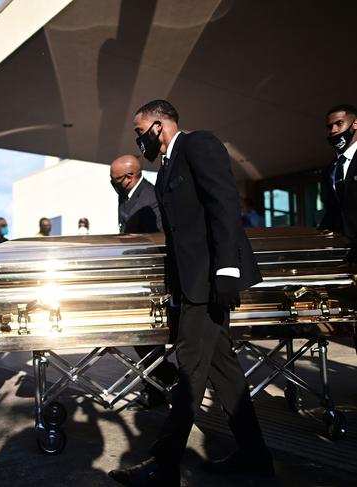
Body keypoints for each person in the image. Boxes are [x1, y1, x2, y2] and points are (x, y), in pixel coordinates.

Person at [109, 100, 272, 486]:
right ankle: (255, 456)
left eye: (139, 130)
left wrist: (227, 269)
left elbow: (224, 204)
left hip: (211, 280)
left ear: (158, 125)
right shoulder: (166, 166)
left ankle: (164, 465)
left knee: (189, 368)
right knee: (224, 371)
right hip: (193, 283)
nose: (138, 139)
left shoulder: (198, 144)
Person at [110, 154, 169, 408]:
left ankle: (165, 379)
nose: (112, 184)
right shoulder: (127, 195)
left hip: (151, 276)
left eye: (115, 180)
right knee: (140, 336)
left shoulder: (150, 197)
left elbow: (158, 238)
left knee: (144, 334)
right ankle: (159, 384)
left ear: (131, 176)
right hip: (135, 273)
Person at [319, 104, 357, 258]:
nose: (333, 130)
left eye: (339, 123)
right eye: (330, 126)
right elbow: (332, 211)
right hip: (341, 254)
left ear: (355, 123)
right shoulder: (329, 170)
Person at [110, 154, 162, 234]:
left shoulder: (152, 200)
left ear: (129, 178)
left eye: (116, 179)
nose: (112, 182)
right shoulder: (123, 192)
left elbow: (157, 238)